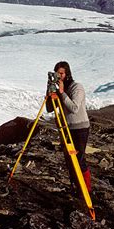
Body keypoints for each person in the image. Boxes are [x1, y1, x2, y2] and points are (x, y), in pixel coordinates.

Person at [47, 61, 92, 194]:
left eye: (61, 73)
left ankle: (86, 190)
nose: (59, 76)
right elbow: (49, 109)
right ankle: (75, 187)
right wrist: (50, 91)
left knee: (78, 159)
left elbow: (74, 108)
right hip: (67, 128)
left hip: (80, 128)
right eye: (57, 74)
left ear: (67, 74)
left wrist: (62, 92)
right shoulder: (61, 89)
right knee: (69, 160)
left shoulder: (76, 87)